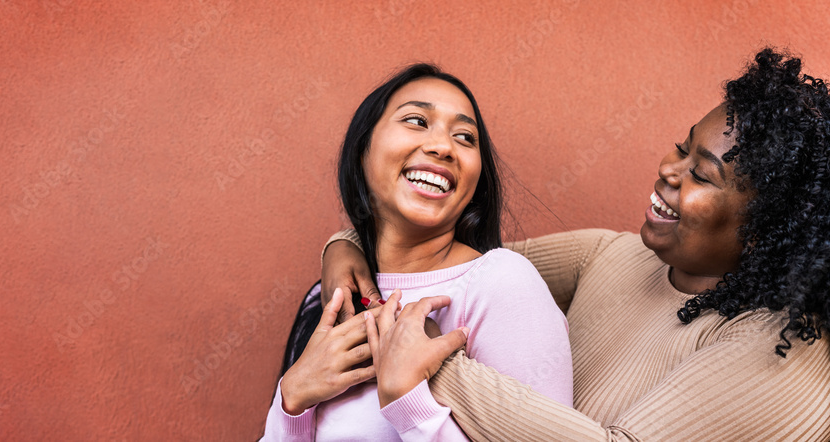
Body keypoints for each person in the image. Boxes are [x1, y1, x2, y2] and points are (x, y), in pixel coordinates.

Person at [322, 48, 830, 440]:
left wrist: (435, 370)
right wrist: (346, 245)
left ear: (764, 228)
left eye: (699, 173)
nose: (667, 169)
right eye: (681, 146)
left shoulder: (782, 351)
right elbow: (446, 260)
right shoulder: (614, 256)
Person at [261, 64, 573, 441]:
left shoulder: (501, 285)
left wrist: (409, 401)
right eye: (416, 120)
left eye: (464, 137)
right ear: (363, 150)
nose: (443, 146)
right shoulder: (328, 296)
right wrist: (291, 402)